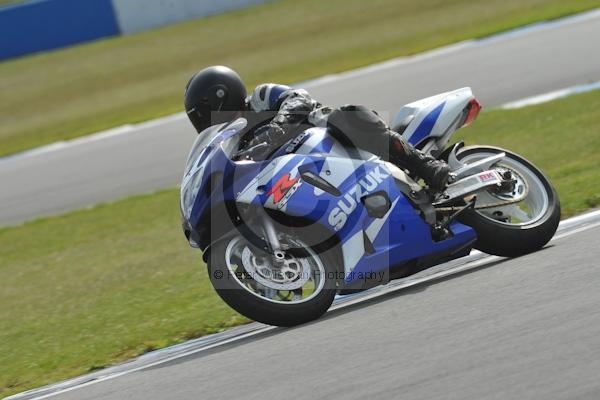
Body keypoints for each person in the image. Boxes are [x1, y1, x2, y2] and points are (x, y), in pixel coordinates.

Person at [184, 65, 451, 190]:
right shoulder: (235, 143)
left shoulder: (260, 98)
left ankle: (425, 164)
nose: (204, 123)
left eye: (203, 115)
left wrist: (277, 125)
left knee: (348, 116)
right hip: (312, 174)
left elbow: (297, 99)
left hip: (331, 140)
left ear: (222, 97)